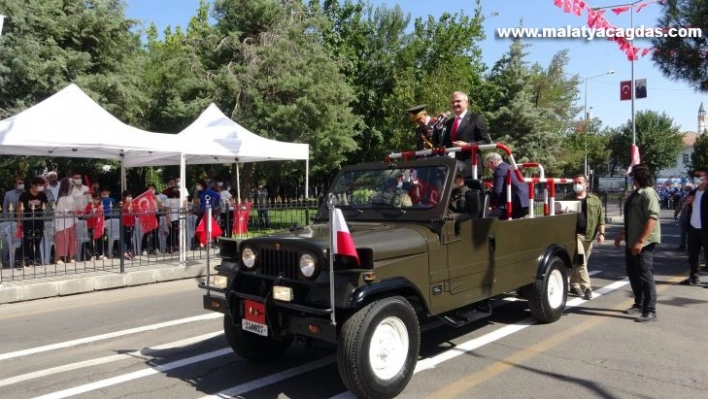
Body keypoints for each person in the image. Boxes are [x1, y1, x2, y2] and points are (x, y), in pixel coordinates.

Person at [613, 164, 661, 322]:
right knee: (633, 274)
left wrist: (641, 241)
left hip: (643, 242)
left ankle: (650, 310)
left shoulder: (649, 193)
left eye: (632, 175)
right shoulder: (636, 193)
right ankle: (639, 304)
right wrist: (622, 234)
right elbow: (634, 219)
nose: (630, 178)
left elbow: (651, 219)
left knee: (645, 274)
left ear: (639, 176)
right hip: (631, 240)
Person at [564, 173, 605, 300]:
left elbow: (600, 218)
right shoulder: (567, 199)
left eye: (579, 182)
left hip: (589, 236)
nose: (576, 185)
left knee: (579, 262)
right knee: (581, 262)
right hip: (575, 236)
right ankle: (587, 288)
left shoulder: (594, 199)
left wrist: (601, 233)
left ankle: (574, 284)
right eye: (574, 182)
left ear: (586, 184)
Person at [438, 92, 491, 177]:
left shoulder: (475, 118)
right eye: (453, 102)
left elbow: (486, 141)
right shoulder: (449, 123)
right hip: (452, 167)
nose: (455, 104)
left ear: (466, 103)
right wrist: (440, 126)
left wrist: (468, 145)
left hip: (470, 167)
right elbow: (440, 142)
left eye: (458, 101)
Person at [681, 168, 708, 286]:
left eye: (699, 176)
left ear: (706, 178)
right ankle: (694, 277)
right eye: (695, 176)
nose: (696, 178)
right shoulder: (693, 192)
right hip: (693, 227)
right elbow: (687, 208)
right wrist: (686, 203)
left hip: (706, 228)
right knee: (693, 254)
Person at [484, 152, 529, 219]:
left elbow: (497, 191)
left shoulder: (499, 170)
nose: (489, 169)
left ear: (492, 162)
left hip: (516, 205)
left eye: (488, 166)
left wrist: (490, 204)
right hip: (526, 202)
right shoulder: (509, 167)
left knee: (487, 218)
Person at [17, 176, 49, 267]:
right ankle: (28, 260)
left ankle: (37, 259)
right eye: (39, 185)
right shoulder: (25, 195)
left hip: (39, 220)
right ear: (33, 185)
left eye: (42, 185)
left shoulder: (42, 195)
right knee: (27, 240)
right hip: (27, 220)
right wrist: (19, 221)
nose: (41, 187)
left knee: (37, 240)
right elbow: (19, 208)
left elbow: (44, 207)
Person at [54, 177, 77, 265]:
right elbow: (59, 210)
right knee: (61, 239)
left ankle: (70, 257)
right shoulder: (61, 197)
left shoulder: (72, 196)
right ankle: (58, 258)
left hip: (72, 220)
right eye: (70, 183)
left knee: (71, 239)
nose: (72, 185)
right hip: (62, 222)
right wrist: (69, 211)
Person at [84, 192, 106, 261]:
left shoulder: (101, 206)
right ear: (92, 198)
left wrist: (103, 226)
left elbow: (102, 217)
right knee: (91, 241)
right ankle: (92, 255)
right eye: (96, 198)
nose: (97, 200)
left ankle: (100, 254)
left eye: (99, 198)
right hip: (91, 226)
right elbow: (86, 217)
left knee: (100, 241)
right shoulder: (89, 206)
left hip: (99, 227)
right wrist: (91, 212)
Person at [673, 184, 692, 251]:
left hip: (685, 217)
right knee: (690, 233)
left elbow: (678, 208)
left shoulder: (683, 198)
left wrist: (675, 215)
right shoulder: (694, 198)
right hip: (691, 218)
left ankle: (682, 246)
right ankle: (690, 247)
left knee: (683, 233)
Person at [121, 190, 136, 260]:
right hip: (125, 224)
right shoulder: (121, 202)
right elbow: (122, 209)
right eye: (128, 196)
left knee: (130, 239)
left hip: (132, 223)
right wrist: (127, 203)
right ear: (124, 197)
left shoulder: (133, 203)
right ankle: (124, 253)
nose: (129, 197)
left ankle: (130, 251)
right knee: (125, 239)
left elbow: (136, 211)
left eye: (130, 196)